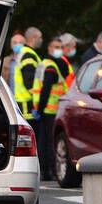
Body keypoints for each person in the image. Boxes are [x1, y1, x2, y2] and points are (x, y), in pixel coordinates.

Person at [31, 36, 67, 180]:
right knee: (50, 142)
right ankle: (49, 171)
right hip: (50, 109)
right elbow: (46, 90)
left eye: (60, 47)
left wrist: (39, 109)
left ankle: (44, 171)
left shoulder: (44, 63)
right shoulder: (51, 66)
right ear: (50, 48)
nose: (59, 50)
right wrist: (40, 109)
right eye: (56, 47)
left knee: (43, 141)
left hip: (44, 110)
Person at [12, 27, 42, 119]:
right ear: (33, 38)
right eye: (40, 37)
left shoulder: (24, 52)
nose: (41, 40)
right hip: (27, 104)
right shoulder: (28, 55)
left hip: (23, 101)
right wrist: (39, 100)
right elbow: (29, 81)